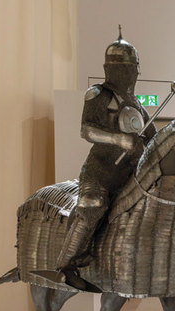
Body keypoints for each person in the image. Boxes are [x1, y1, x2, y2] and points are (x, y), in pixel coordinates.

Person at [55, 28, 157, 290]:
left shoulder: (137, 106)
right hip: (100, 173)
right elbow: (86, 129)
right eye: (128, 67)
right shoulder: (98, 94)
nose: (133, 72)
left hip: (129, 175)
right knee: (93, 205)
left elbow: (153, 139)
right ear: (112, 69)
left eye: (134, 67)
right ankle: (66, 265)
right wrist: (119, 139)